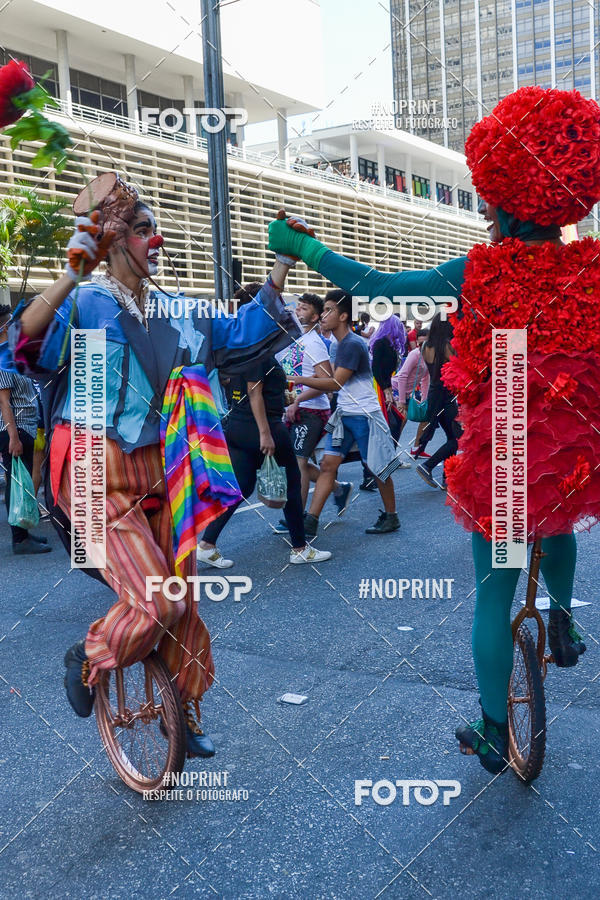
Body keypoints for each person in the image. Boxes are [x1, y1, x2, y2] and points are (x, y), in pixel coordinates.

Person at [267, 85, 600, 774]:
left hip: (505, 446)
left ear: (507, 197)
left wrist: (303, 244)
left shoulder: (478, 272)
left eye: (488, 195)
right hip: (575, 444)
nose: (483, 207)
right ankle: (564, 617)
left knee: (496, 590)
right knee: (562, 523)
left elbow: (377, 282)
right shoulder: (589, 271)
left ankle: (488, 728)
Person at [9, 174, 302, 757]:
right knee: (158, 598)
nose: (157, 242)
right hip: (92, 473)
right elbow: (26, 341)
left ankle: (182, 712)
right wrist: (73, 266)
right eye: (144, 231)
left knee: (184, 600)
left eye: (155, 230)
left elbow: (244, 333)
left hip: (163, 468)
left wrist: (282, 263)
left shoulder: (177, 309)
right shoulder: (86, 302)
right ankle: (90, 653)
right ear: (114, 241)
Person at [197, 350, 332, 566]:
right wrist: (265, 433)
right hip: (262, 426)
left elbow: (232, 383)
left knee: (243, 486)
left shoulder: (239, 353)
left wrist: (277, 398)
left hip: (238, 426)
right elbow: (254, 392)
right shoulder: (256, 354)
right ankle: (300, 548)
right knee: (292, 484)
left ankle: (207, 544)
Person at [290, 290, 401, 536]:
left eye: (328, 310)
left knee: (377, 467)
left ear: (343, 316)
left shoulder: (352, 344)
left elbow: (334, 383)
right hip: (344, 415)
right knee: (328, 464)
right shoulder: (338, 345)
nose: (323, 315)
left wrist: (297, 378)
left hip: (365, 415)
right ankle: (311, 520)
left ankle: (391, 516)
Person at [276, 292, 352, 518]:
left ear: (317, 316)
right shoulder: (291, 339)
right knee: (292, 462)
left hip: (311, 411)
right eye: (298, 307)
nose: (298, 310)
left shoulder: (314, 343)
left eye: (304, 308)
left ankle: (296, 519)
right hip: (290, 409)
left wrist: (298, 399)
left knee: (298, 464)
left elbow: (327, 382)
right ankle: (339, 488)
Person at [0, 304, 51, 554]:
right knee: (15, 483)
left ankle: (25, 532)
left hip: (27, 427)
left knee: (22, 482)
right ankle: (19, 539)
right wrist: (12, 437)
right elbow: (3, 401)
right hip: (16, 429)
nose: (14, 327)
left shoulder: (12, 353)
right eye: (10, 323)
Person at [413, 314, 461, 490]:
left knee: (451, 436)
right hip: (446, 395)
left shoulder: (426, 345)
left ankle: (447, 477)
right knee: (458, 439)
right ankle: (428, 466)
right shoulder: (447, 346)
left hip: (434, 394)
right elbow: (457, 367)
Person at [369, 315, 409, 456]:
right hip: (380, 386)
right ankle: (387, 455)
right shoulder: (381, 343)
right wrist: (386, 389)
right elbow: (376, 369)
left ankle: (389, 454)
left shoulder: (389, 344)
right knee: (389, 421)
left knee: (396, 419)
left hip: (387, 386)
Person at [393, 327, 431, 457]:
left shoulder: (429, 355)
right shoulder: (415, 354)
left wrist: (424, 400)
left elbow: (426, 378)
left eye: (425, 343)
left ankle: (417, 448)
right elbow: (402, 376)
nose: (422, 346)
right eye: (420, 343)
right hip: (397, 390)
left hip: (408, 393)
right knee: (400, 422)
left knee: (425, 416)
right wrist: (402, 401)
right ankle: (390, 455)